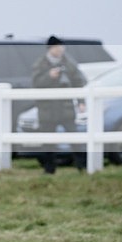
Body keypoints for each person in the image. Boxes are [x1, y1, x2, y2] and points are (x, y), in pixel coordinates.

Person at [32, 36, 87, 174]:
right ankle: (49, 170)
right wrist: (49, 76)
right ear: (50, 49)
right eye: (57, 47)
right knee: (48, 142)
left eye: (62, 47)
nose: (60, 50)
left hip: (66, 108)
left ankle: (82, 167)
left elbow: (79, 82)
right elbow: (35, 84)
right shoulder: (40, 64)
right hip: (47, 110)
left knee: (75, 139)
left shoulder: (69, 63)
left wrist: (81, 101)